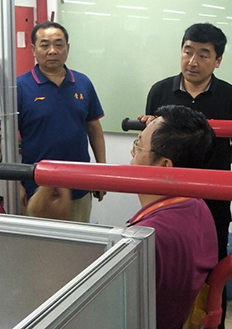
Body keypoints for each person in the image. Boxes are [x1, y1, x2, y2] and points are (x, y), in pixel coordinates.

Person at [138, 23, 232, 328]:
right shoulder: (160, 91)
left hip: (213, 200)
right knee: (167, 275)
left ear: (218, 60)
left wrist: (214, 165)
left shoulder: (231, 97)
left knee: (213, 277)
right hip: (166, 200)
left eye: (203, 54)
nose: (193, 61)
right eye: (188, 52)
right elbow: (151, 141)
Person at [128, 105, 218, 329]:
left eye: (138, 145)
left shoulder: (147, 238)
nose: (132, 154)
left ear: (164, 166)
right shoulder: (198, 207)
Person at [17, 21, 106, 222]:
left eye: (59, 44)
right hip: (36, 188)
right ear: (33, 49)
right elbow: (8, 138)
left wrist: (102, 172)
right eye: (45, 45)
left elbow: (94, 130)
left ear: (67, 48)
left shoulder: (83, 82)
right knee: (39, 240)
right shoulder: (20, 87)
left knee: (78, 238)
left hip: (79, 186)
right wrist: (16, 182)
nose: (52, 51)